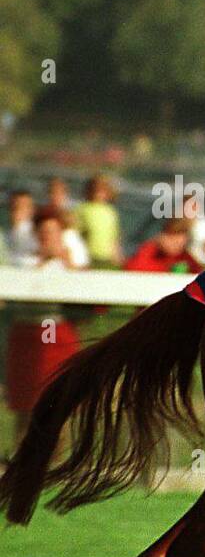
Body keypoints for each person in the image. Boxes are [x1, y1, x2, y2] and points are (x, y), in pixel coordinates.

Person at [5, 208, 83, 439]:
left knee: (59, 400)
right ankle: (22, 461)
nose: (48, 236)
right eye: (43, 231)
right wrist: (42, 261)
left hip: (57, 330)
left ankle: (58, 464)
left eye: (53, 231)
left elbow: (84, 290)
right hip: (28, 333)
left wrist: (66, 262)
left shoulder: (71, 259)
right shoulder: (23, 260)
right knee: (26, 401)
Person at [75, 173, 122, 268]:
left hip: (107, 258)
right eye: (96, 189)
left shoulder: (110, 211)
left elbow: (114, 238)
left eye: (102, 190)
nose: (99, 193)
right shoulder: (82, 209)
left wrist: (117, 257)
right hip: (88, 257)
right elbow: (76, 235)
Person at [123, 219, 204, 274]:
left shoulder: (186, 258)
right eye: (172, 235)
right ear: (161, 236)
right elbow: (133, 272)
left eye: (182, 235)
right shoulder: (148, 252)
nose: (177, 241)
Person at [6, 189, 38, 266]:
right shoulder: (5, 234)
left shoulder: (39, 234)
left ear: (32, 210)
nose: (17, 210)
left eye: (22, 206)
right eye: (14, 206)